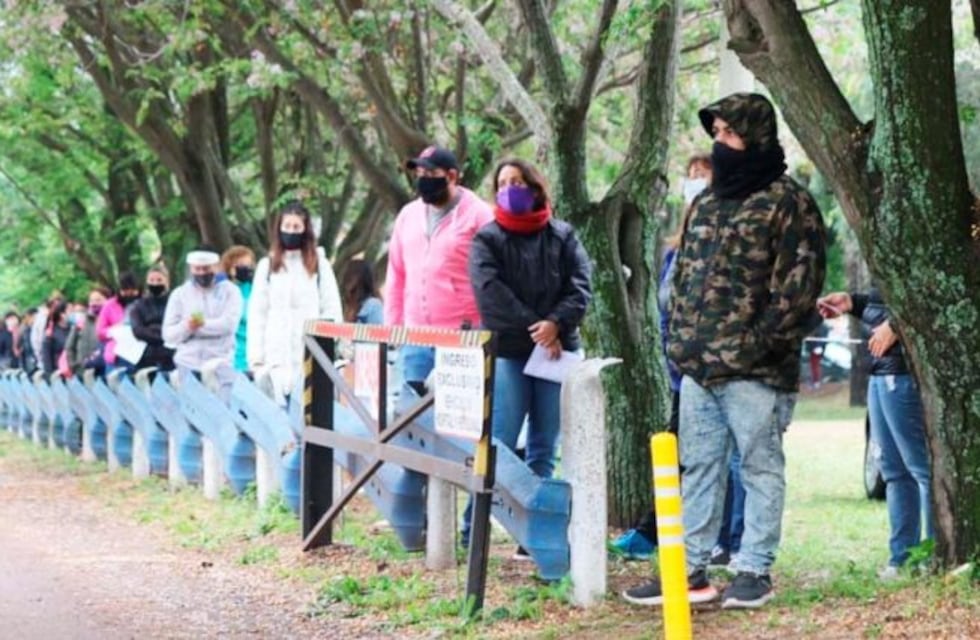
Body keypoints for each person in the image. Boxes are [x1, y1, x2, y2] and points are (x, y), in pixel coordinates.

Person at [623, 93, 826, 609]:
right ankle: (688, 570)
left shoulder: (789, 201)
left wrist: (754, 344)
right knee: (698, 466)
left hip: (756, 370)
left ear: (756, 137)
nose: (720, 145)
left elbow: (797, 289)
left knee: (759, 466)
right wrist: (682, 343)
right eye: (716, 135)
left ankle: (754, 569)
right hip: (698, 368)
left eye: (730, 135)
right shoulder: (705, 203)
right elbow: (684, 278)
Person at [463, 158, 592, 557]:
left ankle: (531, 528)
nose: (511, 188)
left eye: (518, 181)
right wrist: (537, 329)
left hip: (556, 354)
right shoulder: (487, 239)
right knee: (499, 441)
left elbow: (582, 285)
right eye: (503, 183)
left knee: (543, 445)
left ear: (534, 187)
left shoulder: (563, 235)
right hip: (511, 354)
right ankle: (474, 524)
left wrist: (556, 324)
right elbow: (490, 294)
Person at [817, 287, 932, 578]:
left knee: (922, 469)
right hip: (881, 370)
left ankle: (932, 556)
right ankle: (902, 559)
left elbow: (928, 294)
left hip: (905, 370)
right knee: (892, 471)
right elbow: (887, 297)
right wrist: (853, 303)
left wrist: (897, 325)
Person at [384, 145, 494, 392]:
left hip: (463, 336)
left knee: (457, 419)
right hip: (415, 336)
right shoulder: (408, 215)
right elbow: (396, 273)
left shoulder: (479, 216)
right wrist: (394, 326)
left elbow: (495, 276)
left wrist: (487, 330)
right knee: (408, 413)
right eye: (419, 173)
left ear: (452, 176)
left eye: (430, 174)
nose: (423, 179)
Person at [247, 202, 342, 406]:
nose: (291, 231)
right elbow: (258, 314)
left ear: (305, 230)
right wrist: (256, 359)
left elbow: (331, 308)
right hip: (274, 359)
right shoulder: (267, 267)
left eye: (296, 227)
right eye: (287, 226)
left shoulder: (320, 265)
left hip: (310, 356)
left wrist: (328, 348)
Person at [162, 247, 243, 393]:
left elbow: (229, 325)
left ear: (216, 267)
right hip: (186, 364)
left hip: (220, 363)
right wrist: (187, 327)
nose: (201, 273)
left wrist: (201, 325)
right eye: (197, 269)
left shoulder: (231, 292)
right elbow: (169, 334)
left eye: (206, 268)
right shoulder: (179, 295)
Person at [130, 265, 176, 371]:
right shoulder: (138, 305)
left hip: (172, 355)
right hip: (146, 355)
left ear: (167, 281)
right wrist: (162, 333)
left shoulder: (175, 302)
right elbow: (138, 330)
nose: (155, 283)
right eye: (152, 280)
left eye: (159, 280)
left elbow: (178, 327)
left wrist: (154, 329)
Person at [96, 272, 143, 374]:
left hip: (141, 354)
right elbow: (100, 332)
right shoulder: (110, 305)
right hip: (116, 356)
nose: (129, 294)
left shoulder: (144, 303)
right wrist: (116, 329)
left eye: (133, 290)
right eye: (125, 290)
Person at [221, 246, 256, 373]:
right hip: (230, 357)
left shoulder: (257, 291)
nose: (245, 268)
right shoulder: (222, 293)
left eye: (248, 265)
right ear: (229, 268)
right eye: (240, 265)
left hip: (253, 356)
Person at [65, 287, 111, 378]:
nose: (94, 303)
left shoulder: (114, 321)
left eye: (98, 300)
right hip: (83, 374)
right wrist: (74, 366)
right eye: (92, 300)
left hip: (106, 372)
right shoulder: (81, 322)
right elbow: (69, 347)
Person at [340, 258, 383, 325]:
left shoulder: (373, 305)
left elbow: (377, 333)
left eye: (350, 275)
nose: (346, 279)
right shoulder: (351, 306)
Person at [40, 301, 71, 377]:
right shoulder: (50, 333)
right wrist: (50, 376)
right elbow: (46, 357)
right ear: (62, 314)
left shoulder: (73, 329)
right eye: (70, 311)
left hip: (72, 370)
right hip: (59, 373)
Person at [18, 308, 38, 374]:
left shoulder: (38, 329)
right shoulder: (25, 331)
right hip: (30, 364)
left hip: (36, 362)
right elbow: (25, 349)